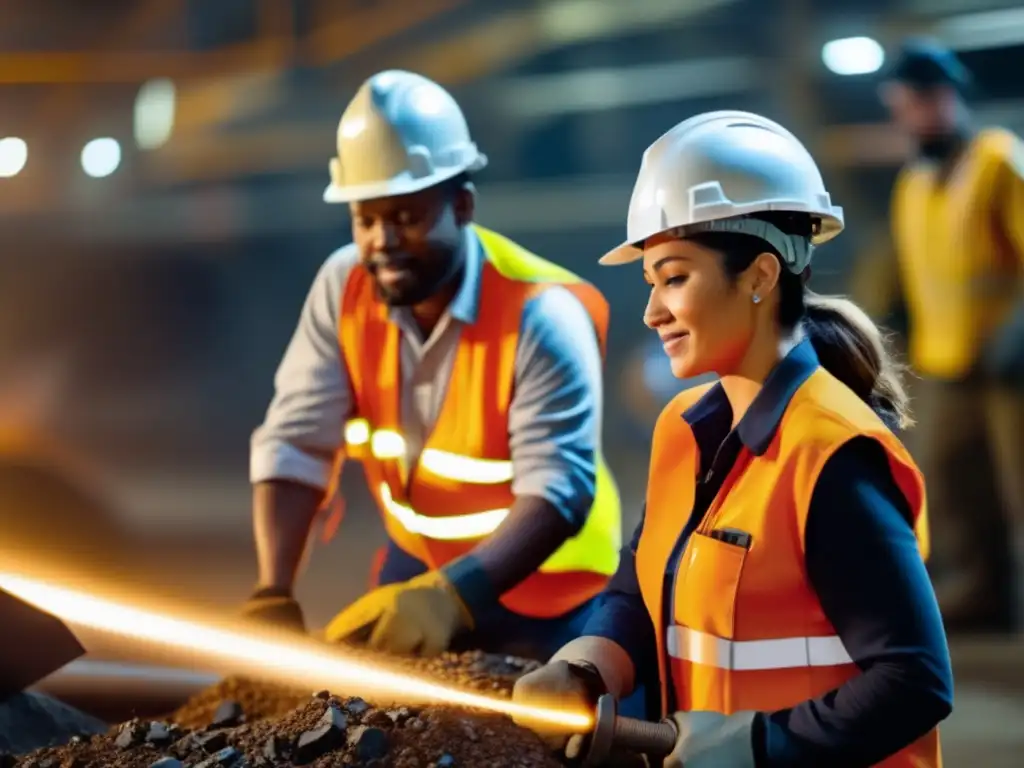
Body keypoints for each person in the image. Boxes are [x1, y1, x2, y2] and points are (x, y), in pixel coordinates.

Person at [511, 111, 953, 767]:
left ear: (759, 277)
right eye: (651, 281)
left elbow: (915, 681)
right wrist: (589, 664)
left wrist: (758, 745)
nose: (652, 310)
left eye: (676, 277)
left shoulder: (831, 458)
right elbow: (639, 589)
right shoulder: (683, 432)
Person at [240, 70, 622, 661]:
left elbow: (558, 490)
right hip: (420, 564)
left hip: (548, 587)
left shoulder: (541, 313)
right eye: (365, 219)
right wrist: (273, 593)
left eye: (407, 217)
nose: (382, 241)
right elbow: (295, 443)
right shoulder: (344, 287)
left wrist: (452, 598)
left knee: (543, 738)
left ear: (462, 205)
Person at [866, 38, 1024, 632]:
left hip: (1009, 366)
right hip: (946, 364)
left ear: (951, 97)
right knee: (954, 484)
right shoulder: (915, 183)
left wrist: (1018, 332)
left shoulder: (998, 161)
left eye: (923, 102)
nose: (914, 116)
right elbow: (904, 278)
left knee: (1019, 488)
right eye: (904, 105)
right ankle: (982, 596)